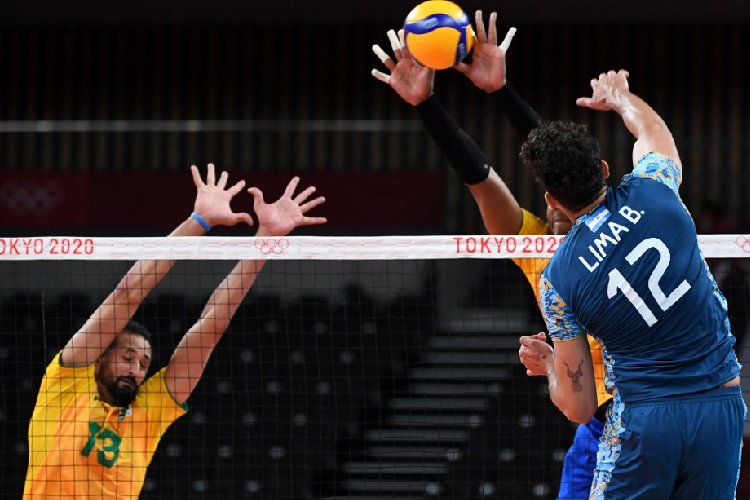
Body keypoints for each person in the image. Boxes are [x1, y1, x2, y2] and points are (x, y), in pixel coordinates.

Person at [372, 12, 611, 500]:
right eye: (546, 195)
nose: (551, 199)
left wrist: (502, 92)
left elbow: (565, 165)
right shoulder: (533, 249)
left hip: (646, 413)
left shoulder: (617, 228)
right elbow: (480, 181)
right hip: (594, 423)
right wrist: (427, 105)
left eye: (558, 191)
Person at [23, 164, 326, 500]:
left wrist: (263, 243)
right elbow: (128, 294)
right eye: (127, 357)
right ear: (99, 360)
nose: (136, 369)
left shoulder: (149, 411)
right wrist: (199, 222)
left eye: (143, 363)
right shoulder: (66, 385)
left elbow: (211, 327)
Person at [518, 70, 745, 499]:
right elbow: (653, 130)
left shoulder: (558, 280)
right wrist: (620, 97)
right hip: (721, 406)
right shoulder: (656, 189)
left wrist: (549, 365)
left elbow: (580, 406)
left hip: (646, 420)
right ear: (604, 169)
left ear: (550, 199)